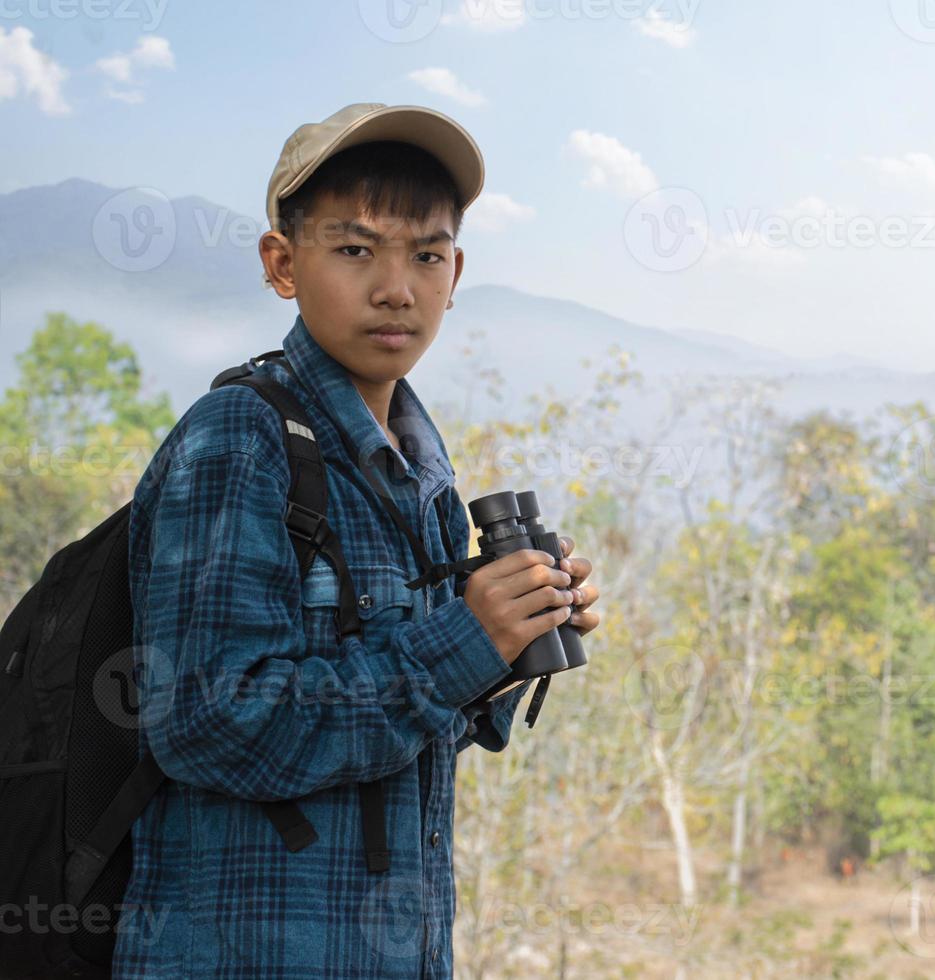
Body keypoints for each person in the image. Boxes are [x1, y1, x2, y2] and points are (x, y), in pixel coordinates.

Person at [113, 102, 600, 978]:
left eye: (427, 254)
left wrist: (509, 643)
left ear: (456, 274)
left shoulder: (423, 474)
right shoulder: (240, 440)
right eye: (353, 249)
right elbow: (205, 722)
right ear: (280, 263)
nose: (396, 288)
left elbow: (404, 735)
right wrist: (463, 641)